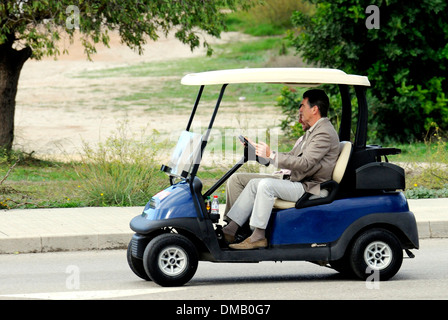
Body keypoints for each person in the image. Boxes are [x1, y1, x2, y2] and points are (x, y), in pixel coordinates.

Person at [222, 89, 340, 250]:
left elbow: (305, 163)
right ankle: (231, 230)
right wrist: (260, 153)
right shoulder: (313, 132)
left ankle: (258, 236)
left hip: (313, 187)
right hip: (301, 181)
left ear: (314, 109)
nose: (300, 109)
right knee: (253, 183)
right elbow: (292, 156)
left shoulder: (324, 133)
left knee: (265, 185)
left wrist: (272, 154)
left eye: (302, 105)